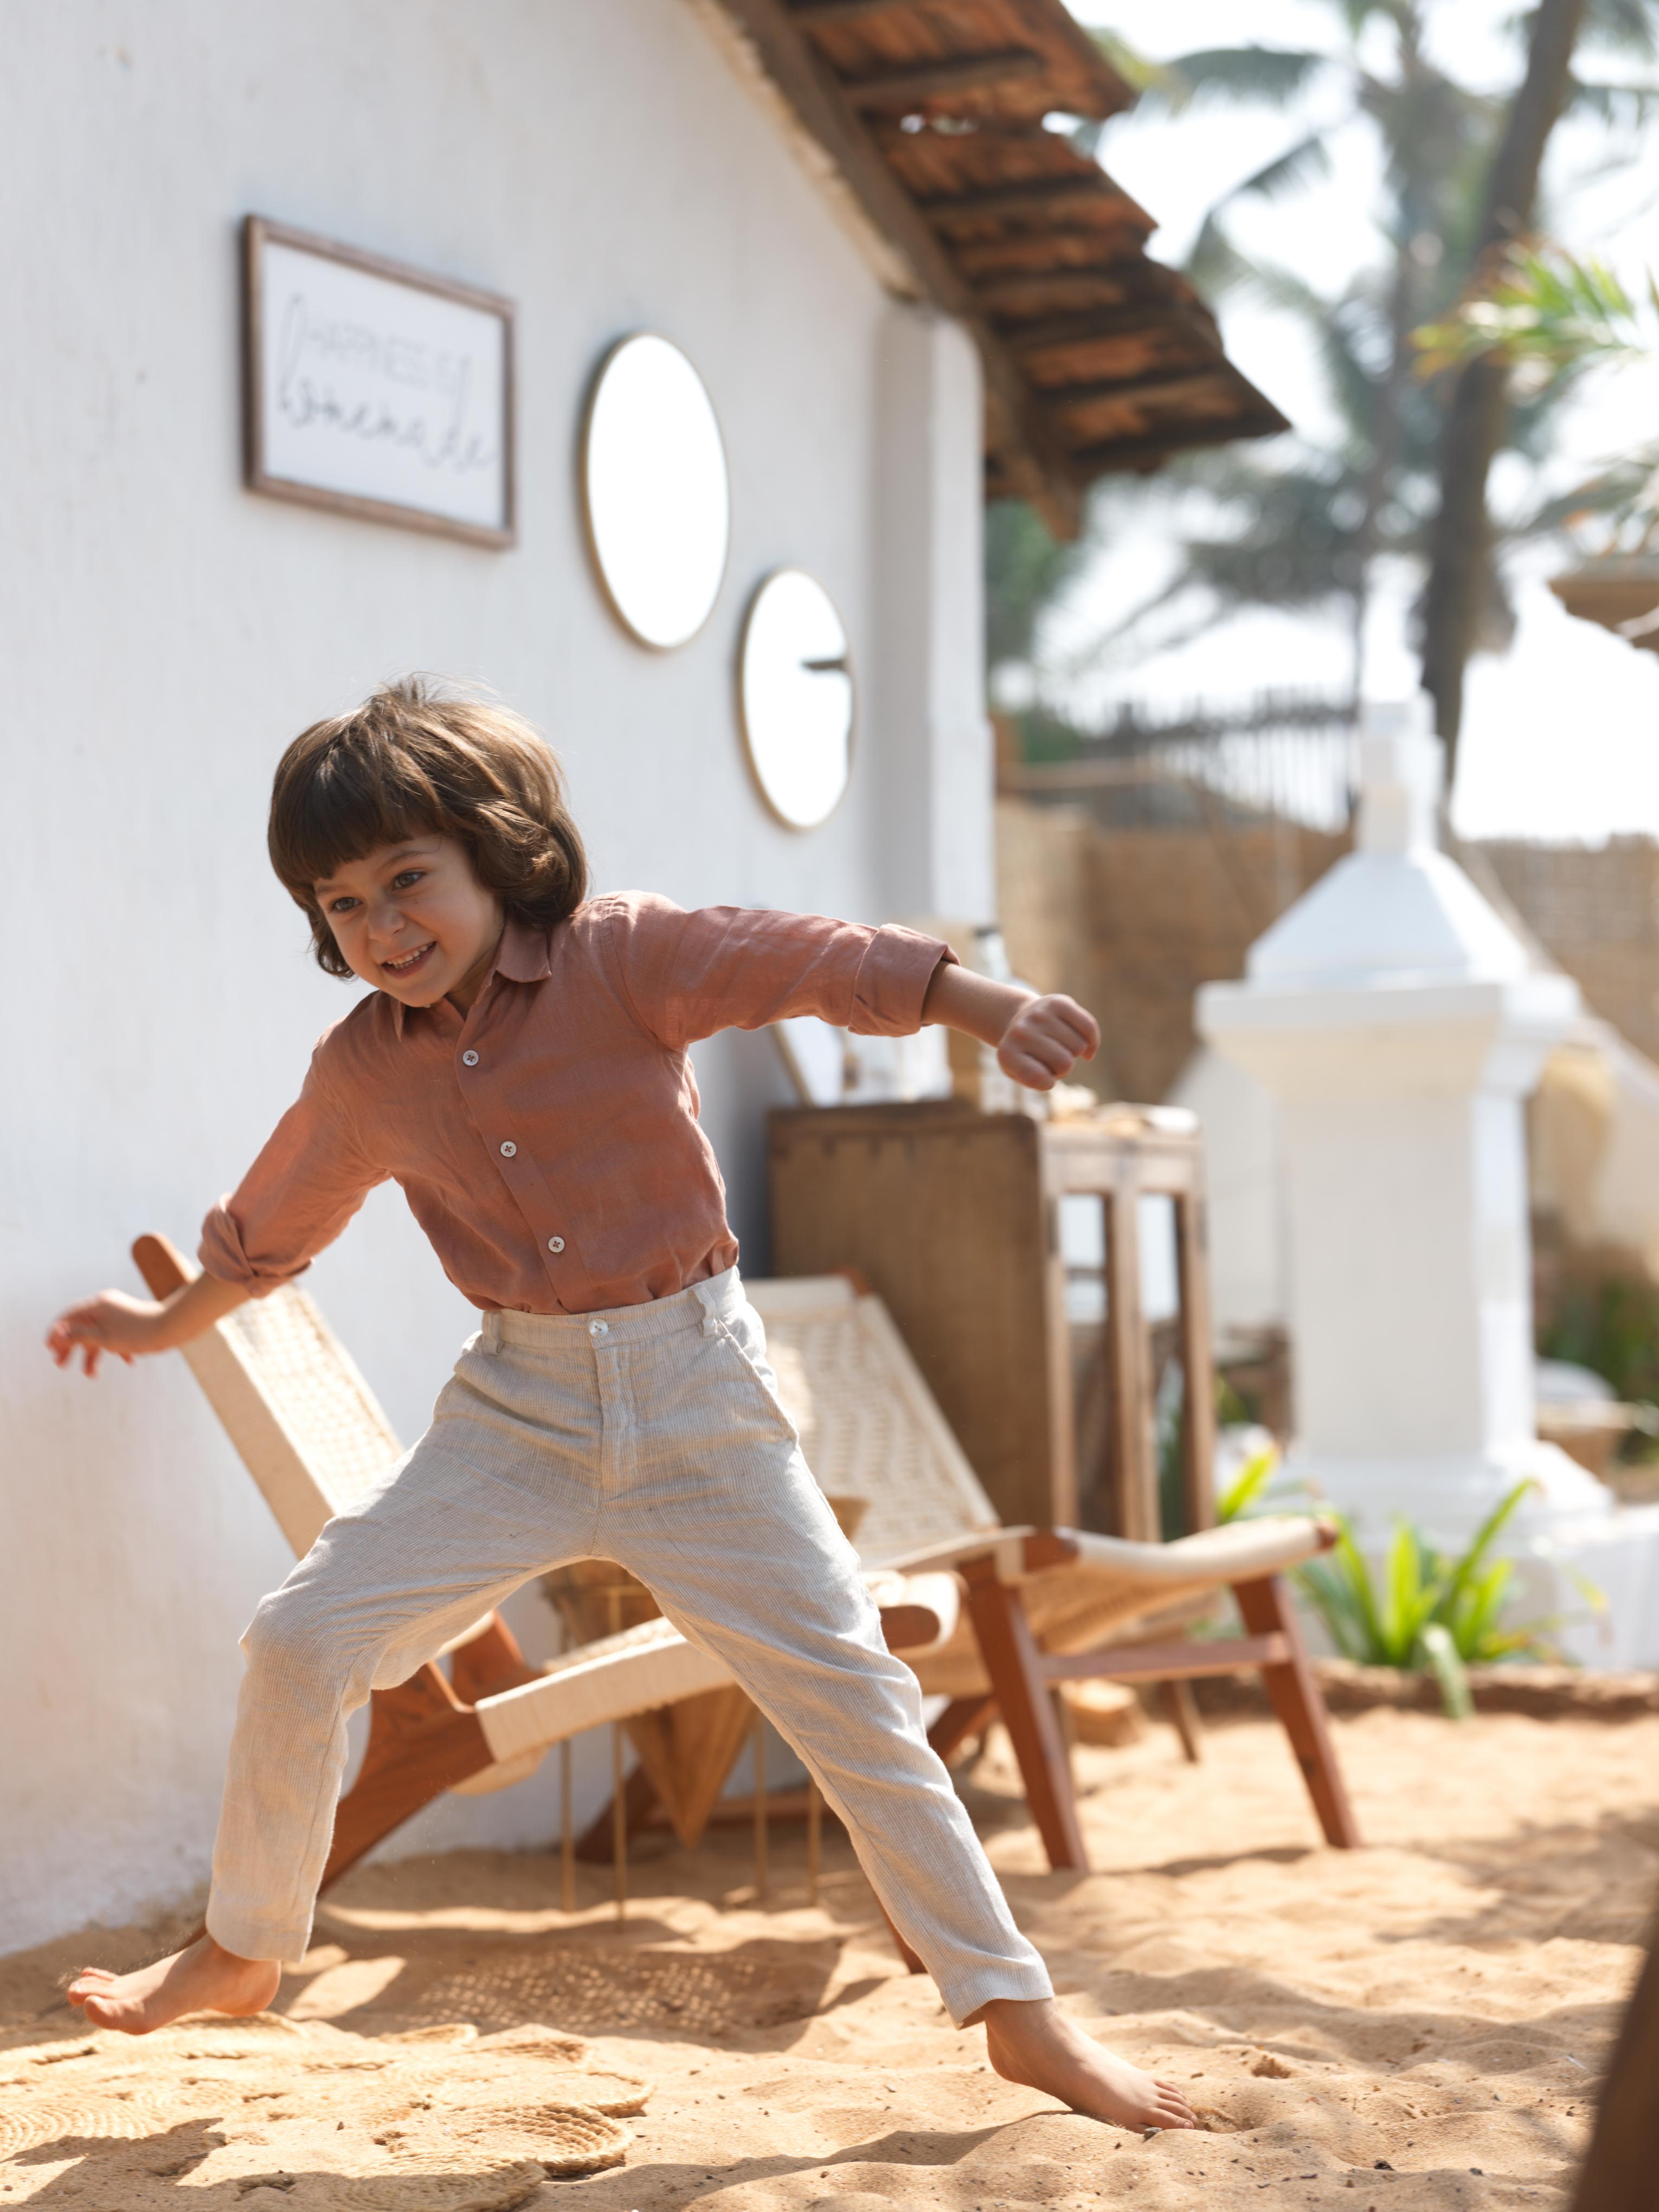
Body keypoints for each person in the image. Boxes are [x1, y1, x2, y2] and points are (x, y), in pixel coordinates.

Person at [46, 679, 1196, 2133]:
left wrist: (985, 1005)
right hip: (513, 1418)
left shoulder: (623, 958)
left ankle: (1020, 2019)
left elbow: (803, 961)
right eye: (343, 904)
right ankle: (242, 1947)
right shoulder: (363, 1072)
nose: (382, 926)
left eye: (408, 879)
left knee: (851, 1695)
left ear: (496, 853)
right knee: (299, 1638)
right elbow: (269, 1228)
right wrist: (160, 1325)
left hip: (698, 1397)